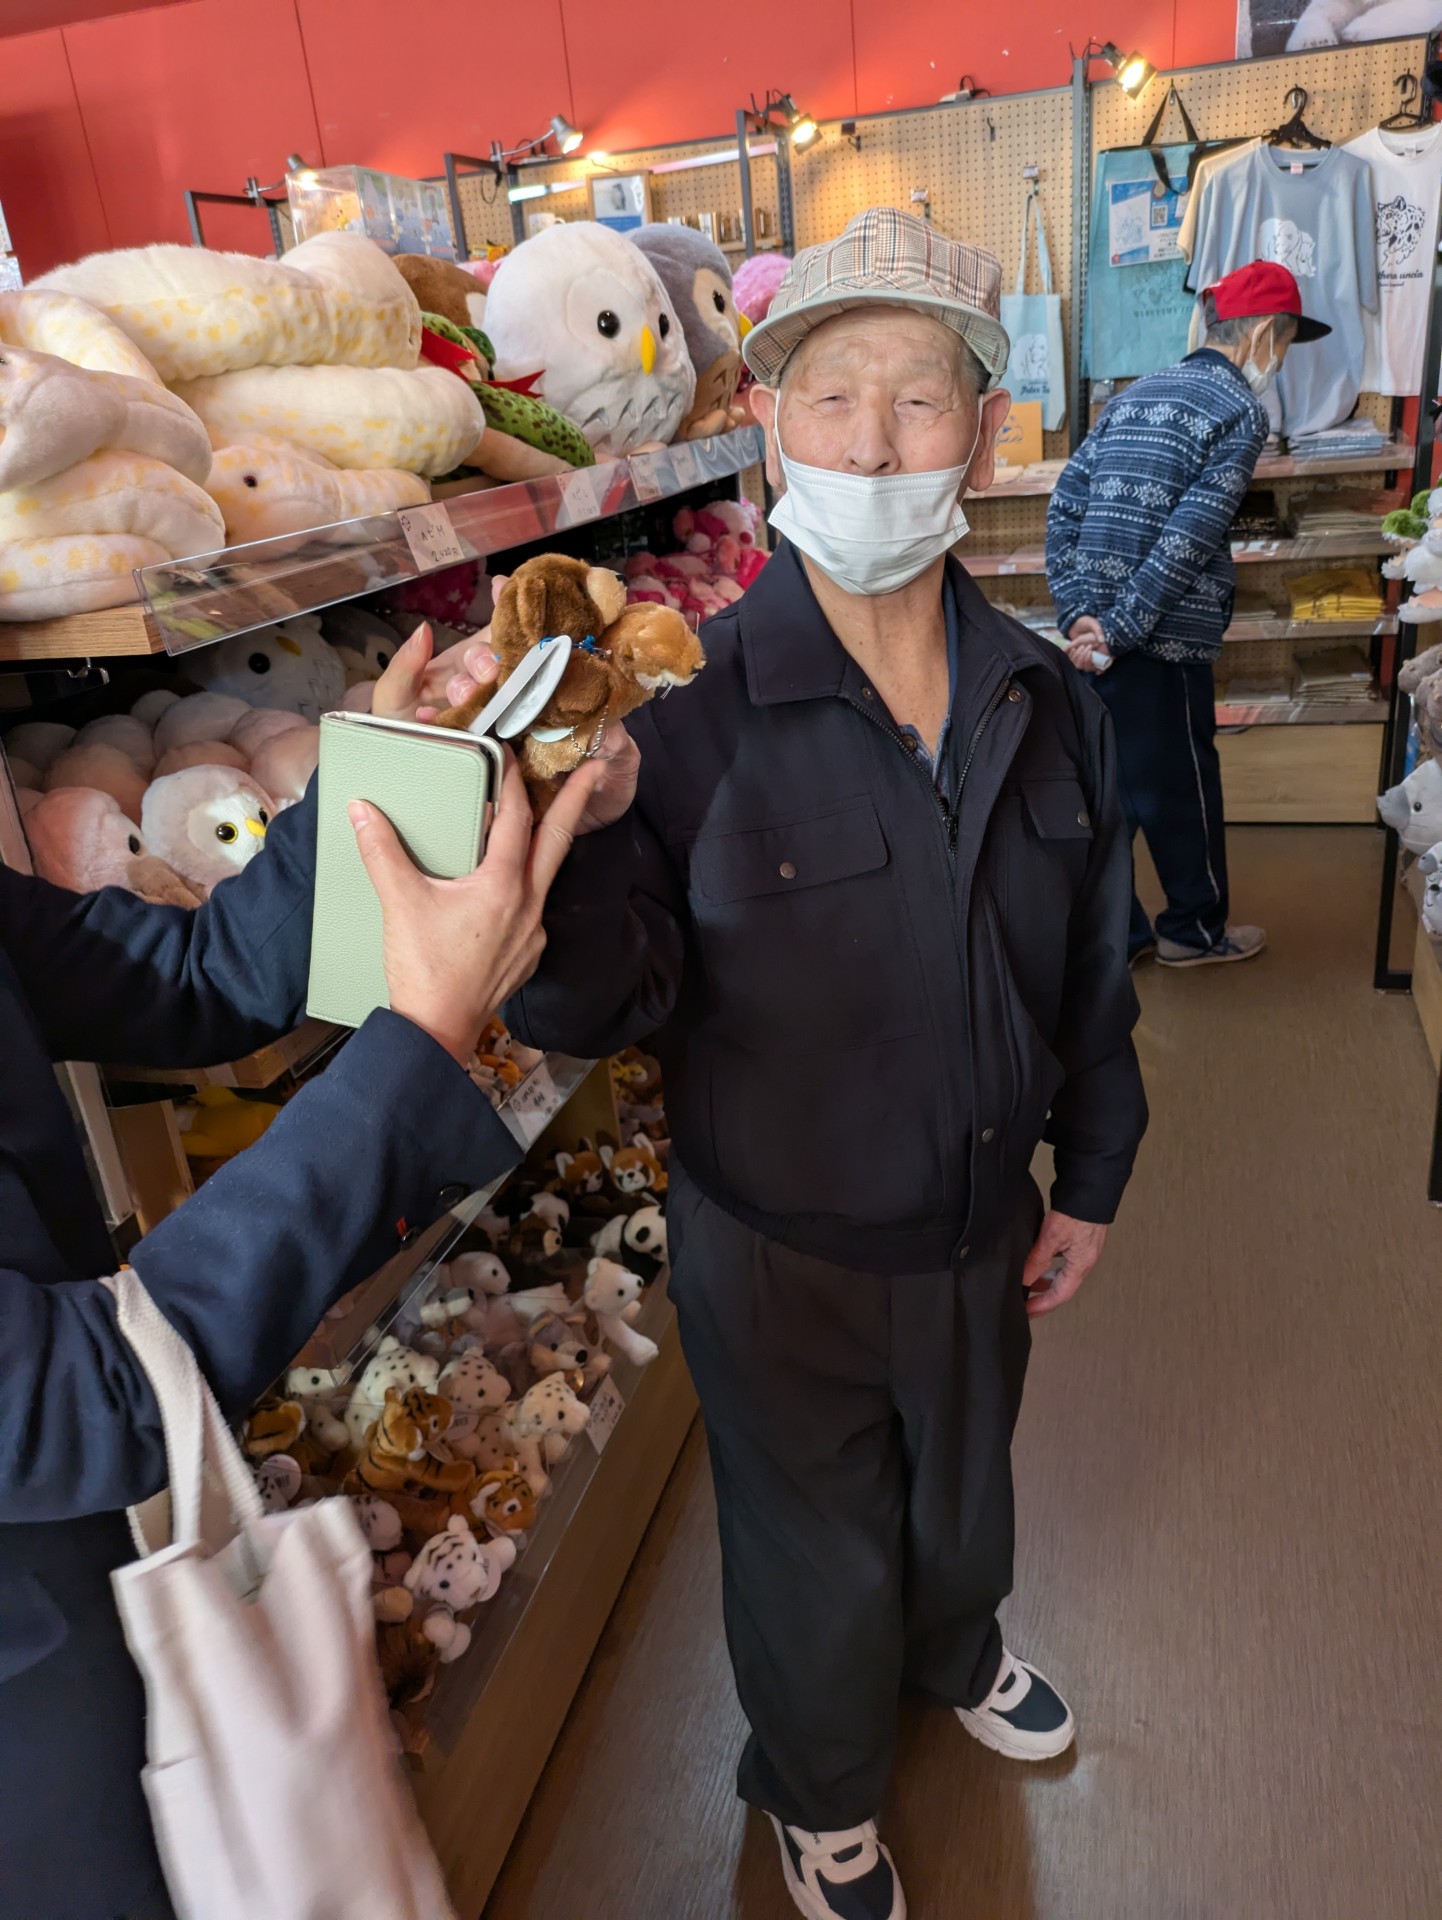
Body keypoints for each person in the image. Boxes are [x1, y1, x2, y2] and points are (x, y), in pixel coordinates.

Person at [459, 208, 1148, 1920]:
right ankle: (818, 1790)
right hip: (777, 1249)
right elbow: (595, 1006)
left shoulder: (1041, 700)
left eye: (919, 401)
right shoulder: (677, 725)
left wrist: (1099, 1174)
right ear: (765, 424)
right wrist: (539, 855)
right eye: (832, 397)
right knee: (809, 1549)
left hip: (986, 1214)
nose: (874, 441)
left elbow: (1089, 972)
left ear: (982, 433)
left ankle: (959, 1651)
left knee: (962, 1500)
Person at [0, 636, 604, 1920]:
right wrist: (419, 1049)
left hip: (108, 1563)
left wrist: (374, 783)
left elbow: (183, 981)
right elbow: (72, 1396)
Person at [1046, 260, 1330, 968]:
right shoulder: (1239, 409)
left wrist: (1079, 615)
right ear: (1266, 332)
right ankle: (1192, 932)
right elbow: (1190, 537)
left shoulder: (1134, 394)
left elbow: (1065, 504)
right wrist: (1120, 629)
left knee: (1111, 794)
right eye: (1288, 340)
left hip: (1099, 639)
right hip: (1159, 643)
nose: (1283, 358)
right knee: (1181, 791)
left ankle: (1125, 933)